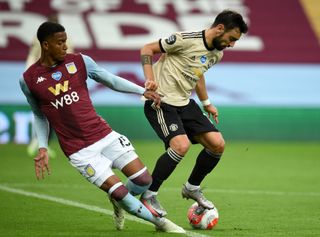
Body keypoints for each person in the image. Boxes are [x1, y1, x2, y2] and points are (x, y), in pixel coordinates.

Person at [19, 21, 185, 233]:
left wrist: (141, 91)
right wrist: (43, 146)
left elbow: (110, 80)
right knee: (118, 191)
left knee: (144, 180)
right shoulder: (29, 80)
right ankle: (162, 224)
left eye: (65, 42)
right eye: (60, 43)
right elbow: (39, 114)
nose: (65, 47)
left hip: (103, 134)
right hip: (78, 150)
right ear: (45, 45)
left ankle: (120, 202)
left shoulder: (80, 62)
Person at [139, 10, 248, 217]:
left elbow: (198, 74)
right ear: (219, 29)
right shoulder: (185, 39)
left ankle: (191, 188)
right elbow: (147, 48)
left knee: (217, 144)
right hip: (160, 100)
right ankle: (149, 194)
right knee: (181, 146)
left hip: (184, 103)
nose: (232, 44)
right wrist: (149, 81)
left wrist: (206, 103)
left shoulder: (217, 53)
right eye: (231, 39)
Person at [26, 14, 74, 158]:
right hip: (46, 78)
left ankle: (41, 143)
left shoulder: (40, 38)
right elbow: (68, 57)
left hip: (54, 79)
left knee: (51, 112)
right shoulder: (43, 39)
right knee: (48, 111)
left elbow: (69, 57)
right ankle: (40, 142)